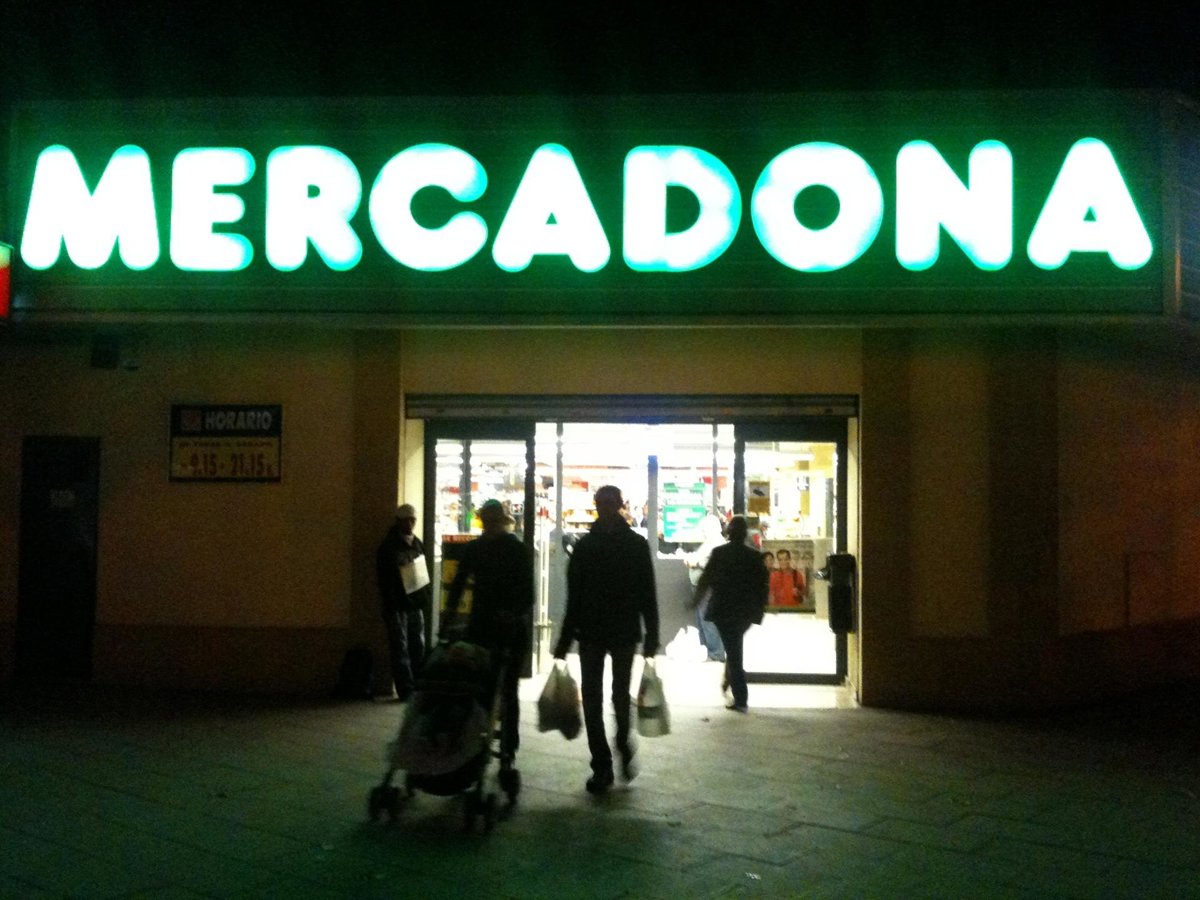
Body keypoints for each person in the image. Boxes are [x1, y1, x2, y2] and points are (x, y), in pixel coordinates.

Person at [554, 485, 659, 794]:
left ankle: (606, 760)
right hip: (618, 629)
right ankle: (614, 751)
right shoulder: (633, 544)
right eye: (604, 502)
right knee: (612, 695)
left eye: (607, 502)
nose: (607, 507)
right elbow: (646, 593)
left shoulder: (586, 546)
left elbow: (576, 597)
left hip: (596, 630)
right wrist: (651, 635)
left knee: (600, 697)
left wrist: (565, 640)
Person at [444, 499, 534, 755]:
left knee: (496, 686)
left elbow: (459, 584)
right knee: (503, 688)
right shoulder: (514, 549)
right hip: (497, 627)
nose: (490, 524)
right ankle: (503, 744)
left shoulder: (479, 548)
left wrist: (450, 616)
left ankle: (498, 741)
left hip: (491, 626)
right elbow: (527, 593)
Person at [691, 516, 769, 713]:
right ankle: (730, 683)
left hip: (723, 610)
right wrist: (759, 611)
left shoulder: (719, 553)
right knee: (734, 648)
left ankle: (740, 697)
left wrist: (695, 601)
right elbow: (762, 586)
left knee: (734, 652)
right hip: (745, 612)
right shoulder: (754, 556)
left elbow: (705, 579)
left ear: (729, 532)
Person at [375, 503, 431, 701]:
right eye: (406, 520)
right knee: (401, 647)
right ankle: (406, 689)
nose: (410, 524)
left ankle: (417, 684)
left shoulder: (416, 543)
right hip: (397, 604)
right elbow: (385, 579)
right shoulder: (389, 547)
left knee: (417, 645)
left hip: (414, 603)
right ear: (398, 521)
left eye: (412, 520)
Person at [685, 514, 727, 662]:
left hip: (708, 586)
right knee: (703, 619)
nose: (703, 531)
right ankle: (708, 650)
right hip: (703, 585)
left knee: (707, 620)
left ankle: (715, 653)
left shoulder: (716, 543)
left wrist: (695, 563)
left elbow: (714, 565)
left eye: (704, 528)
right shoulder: (712, 542)